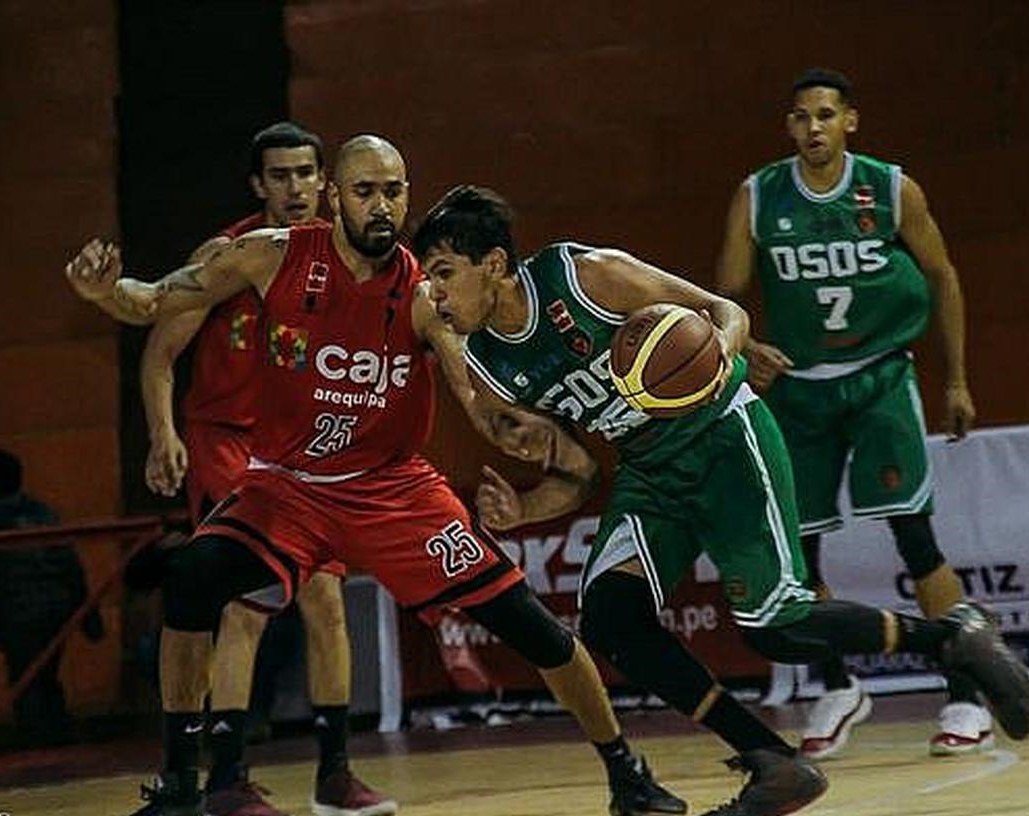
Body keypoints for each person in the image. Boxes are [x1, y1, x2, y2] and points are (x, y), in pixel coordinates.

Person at [65, 134, 685, 816]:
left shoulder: (424, 294)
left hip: (392, 492)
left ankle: (627, 773)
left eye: (394, 190)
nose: (382, 205)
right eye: (366, 191)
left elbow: (478, 400)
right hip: (287, 487)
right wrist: (104, 292)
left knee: (533, 627)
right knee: (191, 579)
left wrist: (536, 438)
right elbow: (154, 300)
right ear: (334, 196)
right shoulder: (270, 255)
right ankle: (183, 785)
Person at [411, 184, 1029, 816]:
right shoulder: (489, 365)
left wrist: (714, 359)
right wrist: (524, 511)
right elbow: (576, 475)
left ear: (492, 263)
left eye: (442, 274)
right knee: (609, 619)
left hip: (724, 436)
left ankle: (953, 639)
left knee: (777, 629)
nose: (433, 294)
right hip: (649, 470)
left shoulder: (582, 276)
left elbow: (720, 311)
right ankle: (775, 763)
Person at [714, 67, 988, 759]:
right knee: (798, 553)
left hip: (879, 377)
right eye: (802, 117)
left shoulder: (891, 188)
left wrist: (955, 380)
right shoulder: (756, 196)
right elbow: (725, 297)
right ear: (789, 127)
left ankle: (967, 690)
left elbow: (942, 274)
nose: (814, 128)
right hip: (802, 388)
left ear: (850, 121)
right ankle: (837, 685)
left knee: (913, 535)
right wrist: (754, 346)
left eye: (826, 115)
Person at [132, 121, 390, 816]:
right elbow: (159, 352)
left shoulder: (342, 257)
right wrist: (163, 434)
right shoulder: (231, 255)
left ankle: (334, 771)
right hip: (225, 442)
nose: (296, 187)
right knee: (244, 606)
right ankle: (224, 777)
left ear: (325, 183)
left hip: (299, 450)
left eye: (307, 173)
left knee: (327, 602)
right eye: (280, 176)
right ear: (258, 185)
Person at [0, 449, 104, 748]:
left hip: (16, 611)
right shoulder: (42, 513)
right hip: (55, 609)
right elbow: (71, 566)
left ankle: (37, 745)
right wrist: (89, 617)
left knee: (27, 680)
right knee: (45, 676)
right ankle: (59, 738)